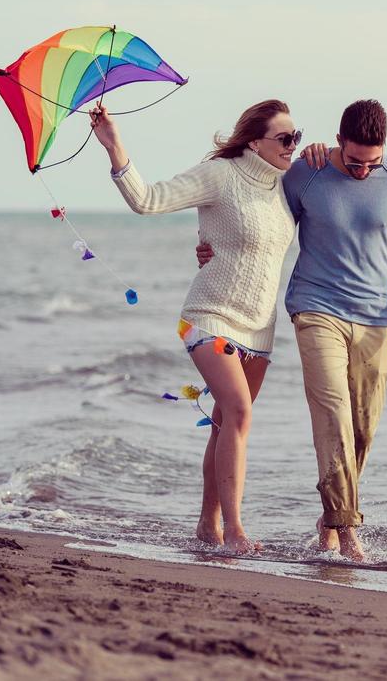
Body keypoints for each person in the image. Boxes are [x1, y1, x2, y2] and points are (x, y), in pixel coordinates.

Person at [198, 98, 387, 561]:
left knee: (362, 428)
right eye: (354, 161)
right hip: (315, 309)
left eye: (374, 162)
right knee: (332, 415)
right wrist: (210, 245)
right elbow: (254, 214)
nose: (364, 171)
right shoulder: (304, 173)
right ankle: (347, 530)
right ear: (339, 141)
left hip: (377, 318)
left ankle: (330, 515)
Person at [90, 99, 304, 555]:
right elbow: (148, 200)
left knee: (225, 423)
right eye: (285, 138)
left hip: (259, 330)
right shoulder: (220, 175)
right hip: (209, 316)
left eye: (297, 137)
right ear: (255, 141)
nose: (293, 146)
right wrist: (114, 145)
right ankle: (237, 530)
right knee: (241, 415)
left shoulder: (285, 187)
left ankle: (208, 525)